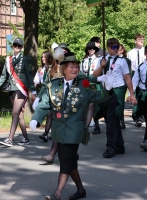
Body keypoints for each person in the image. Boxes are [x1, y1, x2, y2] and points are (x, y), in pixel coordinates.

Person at [29, 52, 112, 200]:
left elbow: (99, 97)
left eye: (76, 67)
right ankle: (81, 190)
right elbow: (45, 104)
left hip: (75, 132)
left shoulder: (84, 85)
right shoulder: (54, 85)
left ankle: (57, 193)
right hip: (59, 132)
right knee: (69, 162)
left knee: (65, 161)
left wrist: (108, 87)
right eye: (71, 67)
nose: (75, 69)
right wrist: (36, 119)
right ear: (64, 69)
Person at [93, 38, 137, 158]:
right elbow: (95, 76)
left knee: (112, 119)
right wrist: (101, 66)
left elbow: (127, 78)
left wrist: (131, 94)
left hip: (118, 90)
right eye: (113, 47)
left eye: (117, 47)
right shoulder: (102, 60)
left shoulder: (122, 61)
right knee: (109, 119)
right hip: (106, 91)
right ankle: (120, 146)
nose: (116, 49)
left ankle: (110, 147)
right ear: (108, 47)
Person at [0, 38, 37, 147]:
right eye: (15, 45)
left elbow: (30, 76)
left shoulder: (25, 59)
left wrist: (33, 91)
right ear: (13, 46)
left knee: (15, 112)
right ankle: (25, 138)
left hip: (21, 89)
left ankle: (10, 139)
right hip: (11, 88)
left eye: (19, 45)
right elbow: (3, 76)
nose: (17, 47)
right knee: (19, 115)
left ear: (22, 47)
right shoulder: (8, 60)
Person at [33, 51, 60, 142]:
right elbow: (36, 82)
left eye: (44, 57)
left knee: (52, 114)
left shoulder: (54, 68)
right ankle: (46, 133)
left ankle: (52, 133)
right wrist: (35, 95)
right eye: (42, 57)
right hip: (44, 91)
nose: (42, 59)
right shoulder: (41, 69)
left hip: (53, 92)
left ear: (49, 58)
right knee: (49, 114)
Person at [79, 41, 101, 134]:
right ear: (87, 50)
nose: (91, 50)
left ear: (95, 50)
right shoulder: (84, 60)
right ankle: (88, 126)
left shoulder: (99, 59)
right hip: (86, 84)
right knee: (89, 106)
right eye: (89, 48)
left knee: (95, 106)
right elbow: (80, 72)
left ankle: (95, 125)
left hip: (95, 84)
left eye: (93, 48)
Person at [127, 34, 146, 127]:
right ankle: (137, 116)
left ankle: (142, 115)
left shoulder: (146, 51)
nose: (141, 41)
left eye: (142, 39)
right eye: (139, 39)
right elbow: (129, 67)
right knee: (135, 94)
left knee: (142, 94)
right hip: (134, 73)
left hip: (144, 74)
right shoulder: (130, 53)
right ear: (135, 41)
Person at [117, 44, 132, 129]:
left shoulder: (126, 60)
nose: (116, 51)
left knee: (120, 102)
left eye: (118, 49)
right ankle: (119, 120)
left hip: (123, 83)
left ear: (122, 50)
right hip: (114, 83)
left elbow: (128, 73)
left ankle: (121, 121)